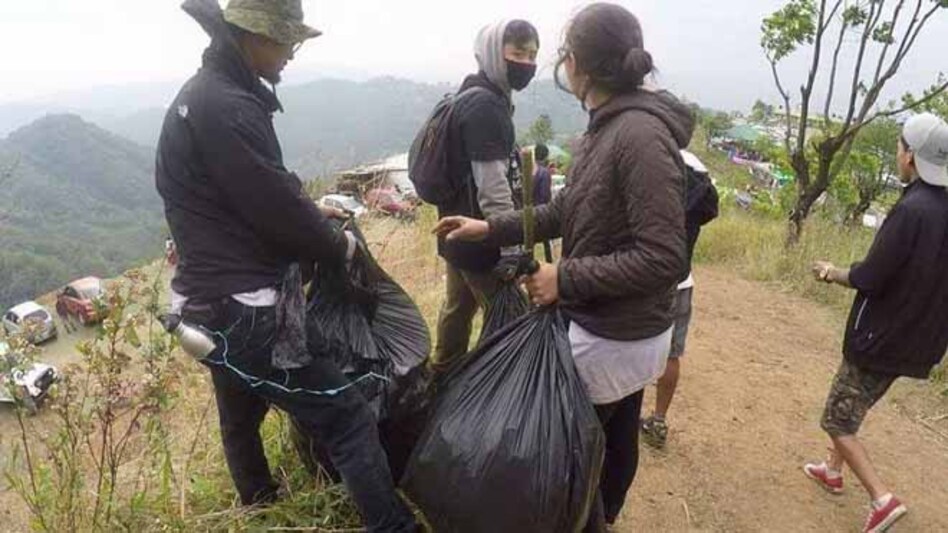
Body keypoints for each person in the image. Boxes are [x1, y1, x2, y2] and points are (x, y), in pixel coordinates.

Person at [155, 1, 416, 531]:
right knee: (348, 420)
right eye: (286, 41)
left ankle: (260, 507)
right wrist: (335, 246)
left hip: (205, 303)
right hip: (244, 310)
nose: (292, 54)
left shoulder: (207, 95)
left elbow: (256, 189)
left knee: (240, 418)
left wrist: (306, 208)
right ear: (254, 36)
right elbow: (276, 209)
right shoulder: (227, 105)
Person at [434, 4, 694, 530]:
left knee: (570, 461)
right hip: (620, 331)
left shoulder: (637, 135)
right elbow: (569, 208)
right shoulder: (608, 127)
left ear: (577, 64)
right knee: (611, 441)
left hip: (614, 334)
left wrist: (563, 277)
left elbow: (664, 256)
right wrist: (493, 227)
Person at [803, 113, 948, 533]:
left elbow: (870, 275)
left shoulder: (912, 210)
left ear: (911, 157)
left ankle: (882, 500)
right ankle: (832, 470)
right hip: (918, 341)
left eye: (901, 145)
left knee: (836, 418)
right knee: (854, 403)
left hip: (879, 337)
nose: (898, 151)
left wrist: (832, 271)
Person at [432, 20, 540, 369]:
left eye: (532, 54)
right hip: (482, 241)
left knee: (458, 309)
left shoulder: (469, 92)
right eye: (518, 53)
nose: (526, 62)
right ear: (495, 53)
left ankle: (443, 378)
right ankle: (491, 395)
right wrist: (510, 248)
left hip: (453, 234)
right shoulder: (487, 108)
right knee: (510, 324)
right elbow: (493, 189)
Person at [641, 150, 718, 448]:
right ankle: (659, 419)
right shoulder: (699, 166)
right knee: (672, 354)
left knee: (633, 343)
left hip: (644, 277)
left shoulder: (654, 156)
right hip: (682, 280)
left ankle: (620, 413)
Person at [532, 143, 554, 262]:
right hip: (542, 210)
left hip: (531, 210)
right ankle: (549, 262)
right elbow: (545, 194)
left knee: (530, 242)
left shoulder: (530, 169)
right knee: (546, 241)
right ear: (545, 155)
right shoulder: (544, 172)